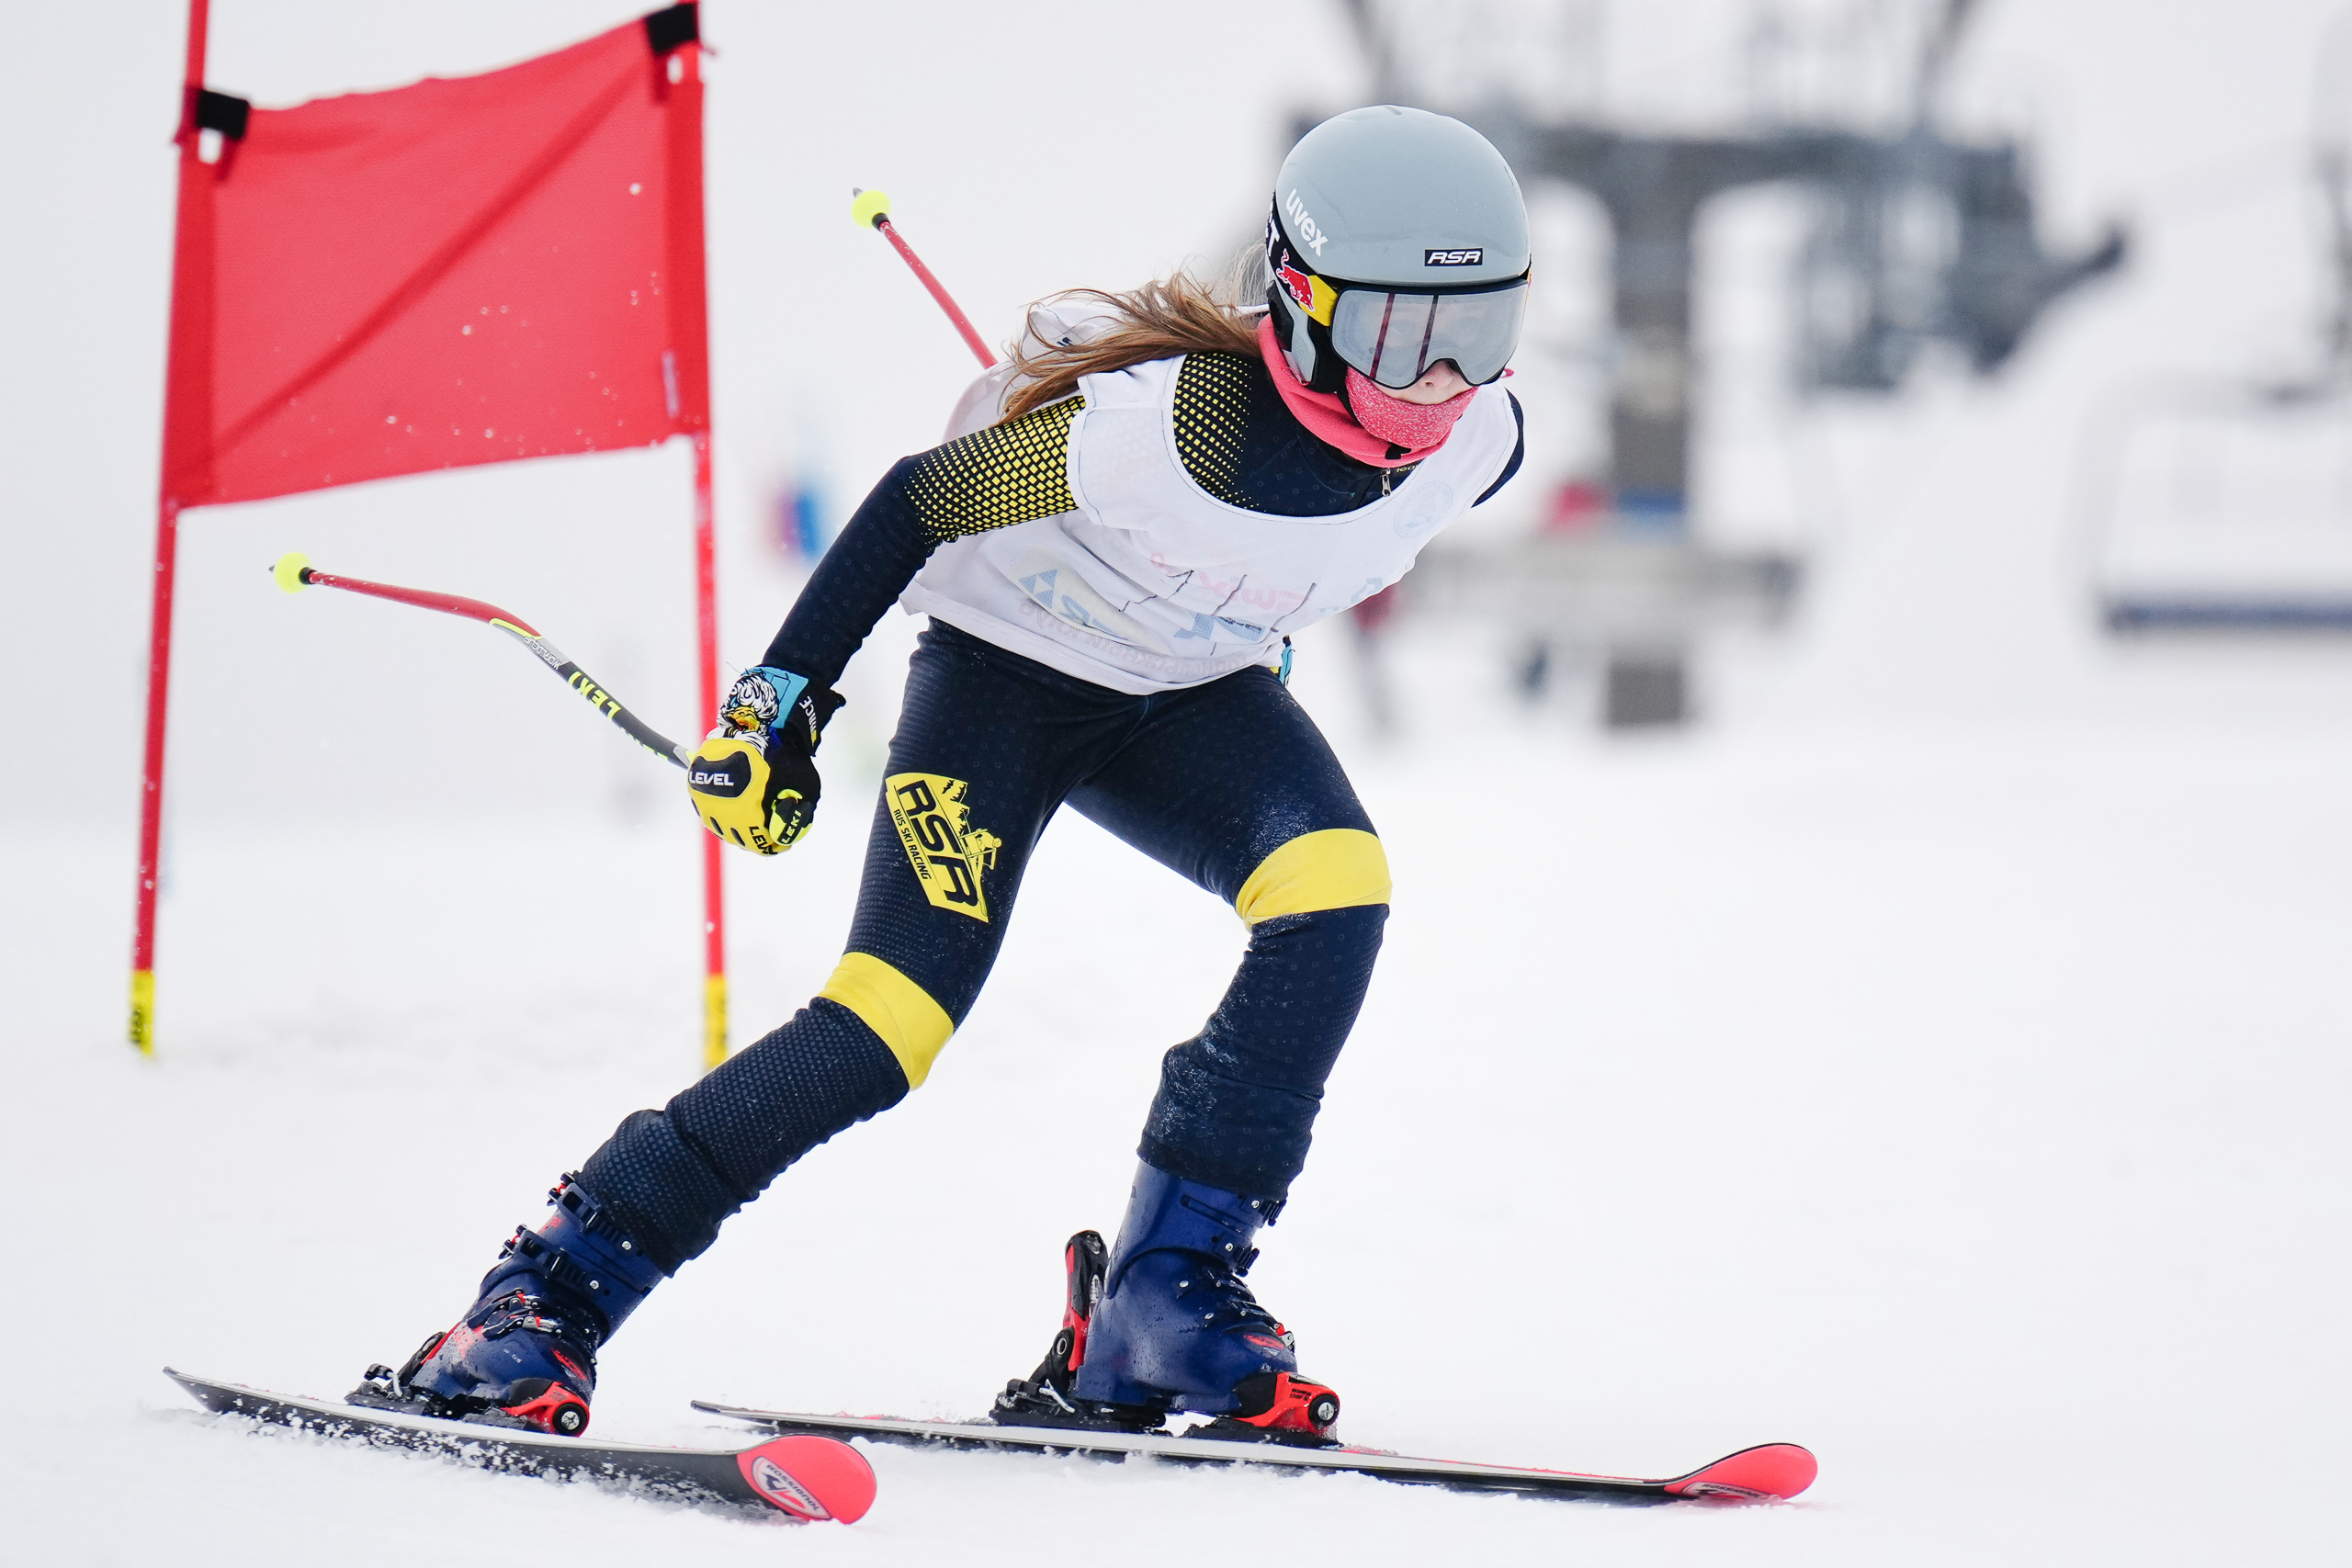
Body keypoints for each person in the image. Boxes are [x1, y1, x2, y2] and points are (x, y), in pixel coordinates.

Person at [377, 105, 1532, 1443]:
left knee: (1337, 892)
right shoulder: (1163, 434)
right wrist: (777, 703)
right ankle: (543, 1290)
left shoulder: (1481, 445)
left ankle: (1163, 1302)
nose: (1440, 386)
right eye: (1400, 336)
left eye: (1480, 334)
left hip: (1178, 694)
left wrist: (1244, 632)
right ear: (1300, 300)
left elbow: (1295, 550)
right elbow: (922, 499)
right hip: (1006, 685)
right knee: (889, 1023)